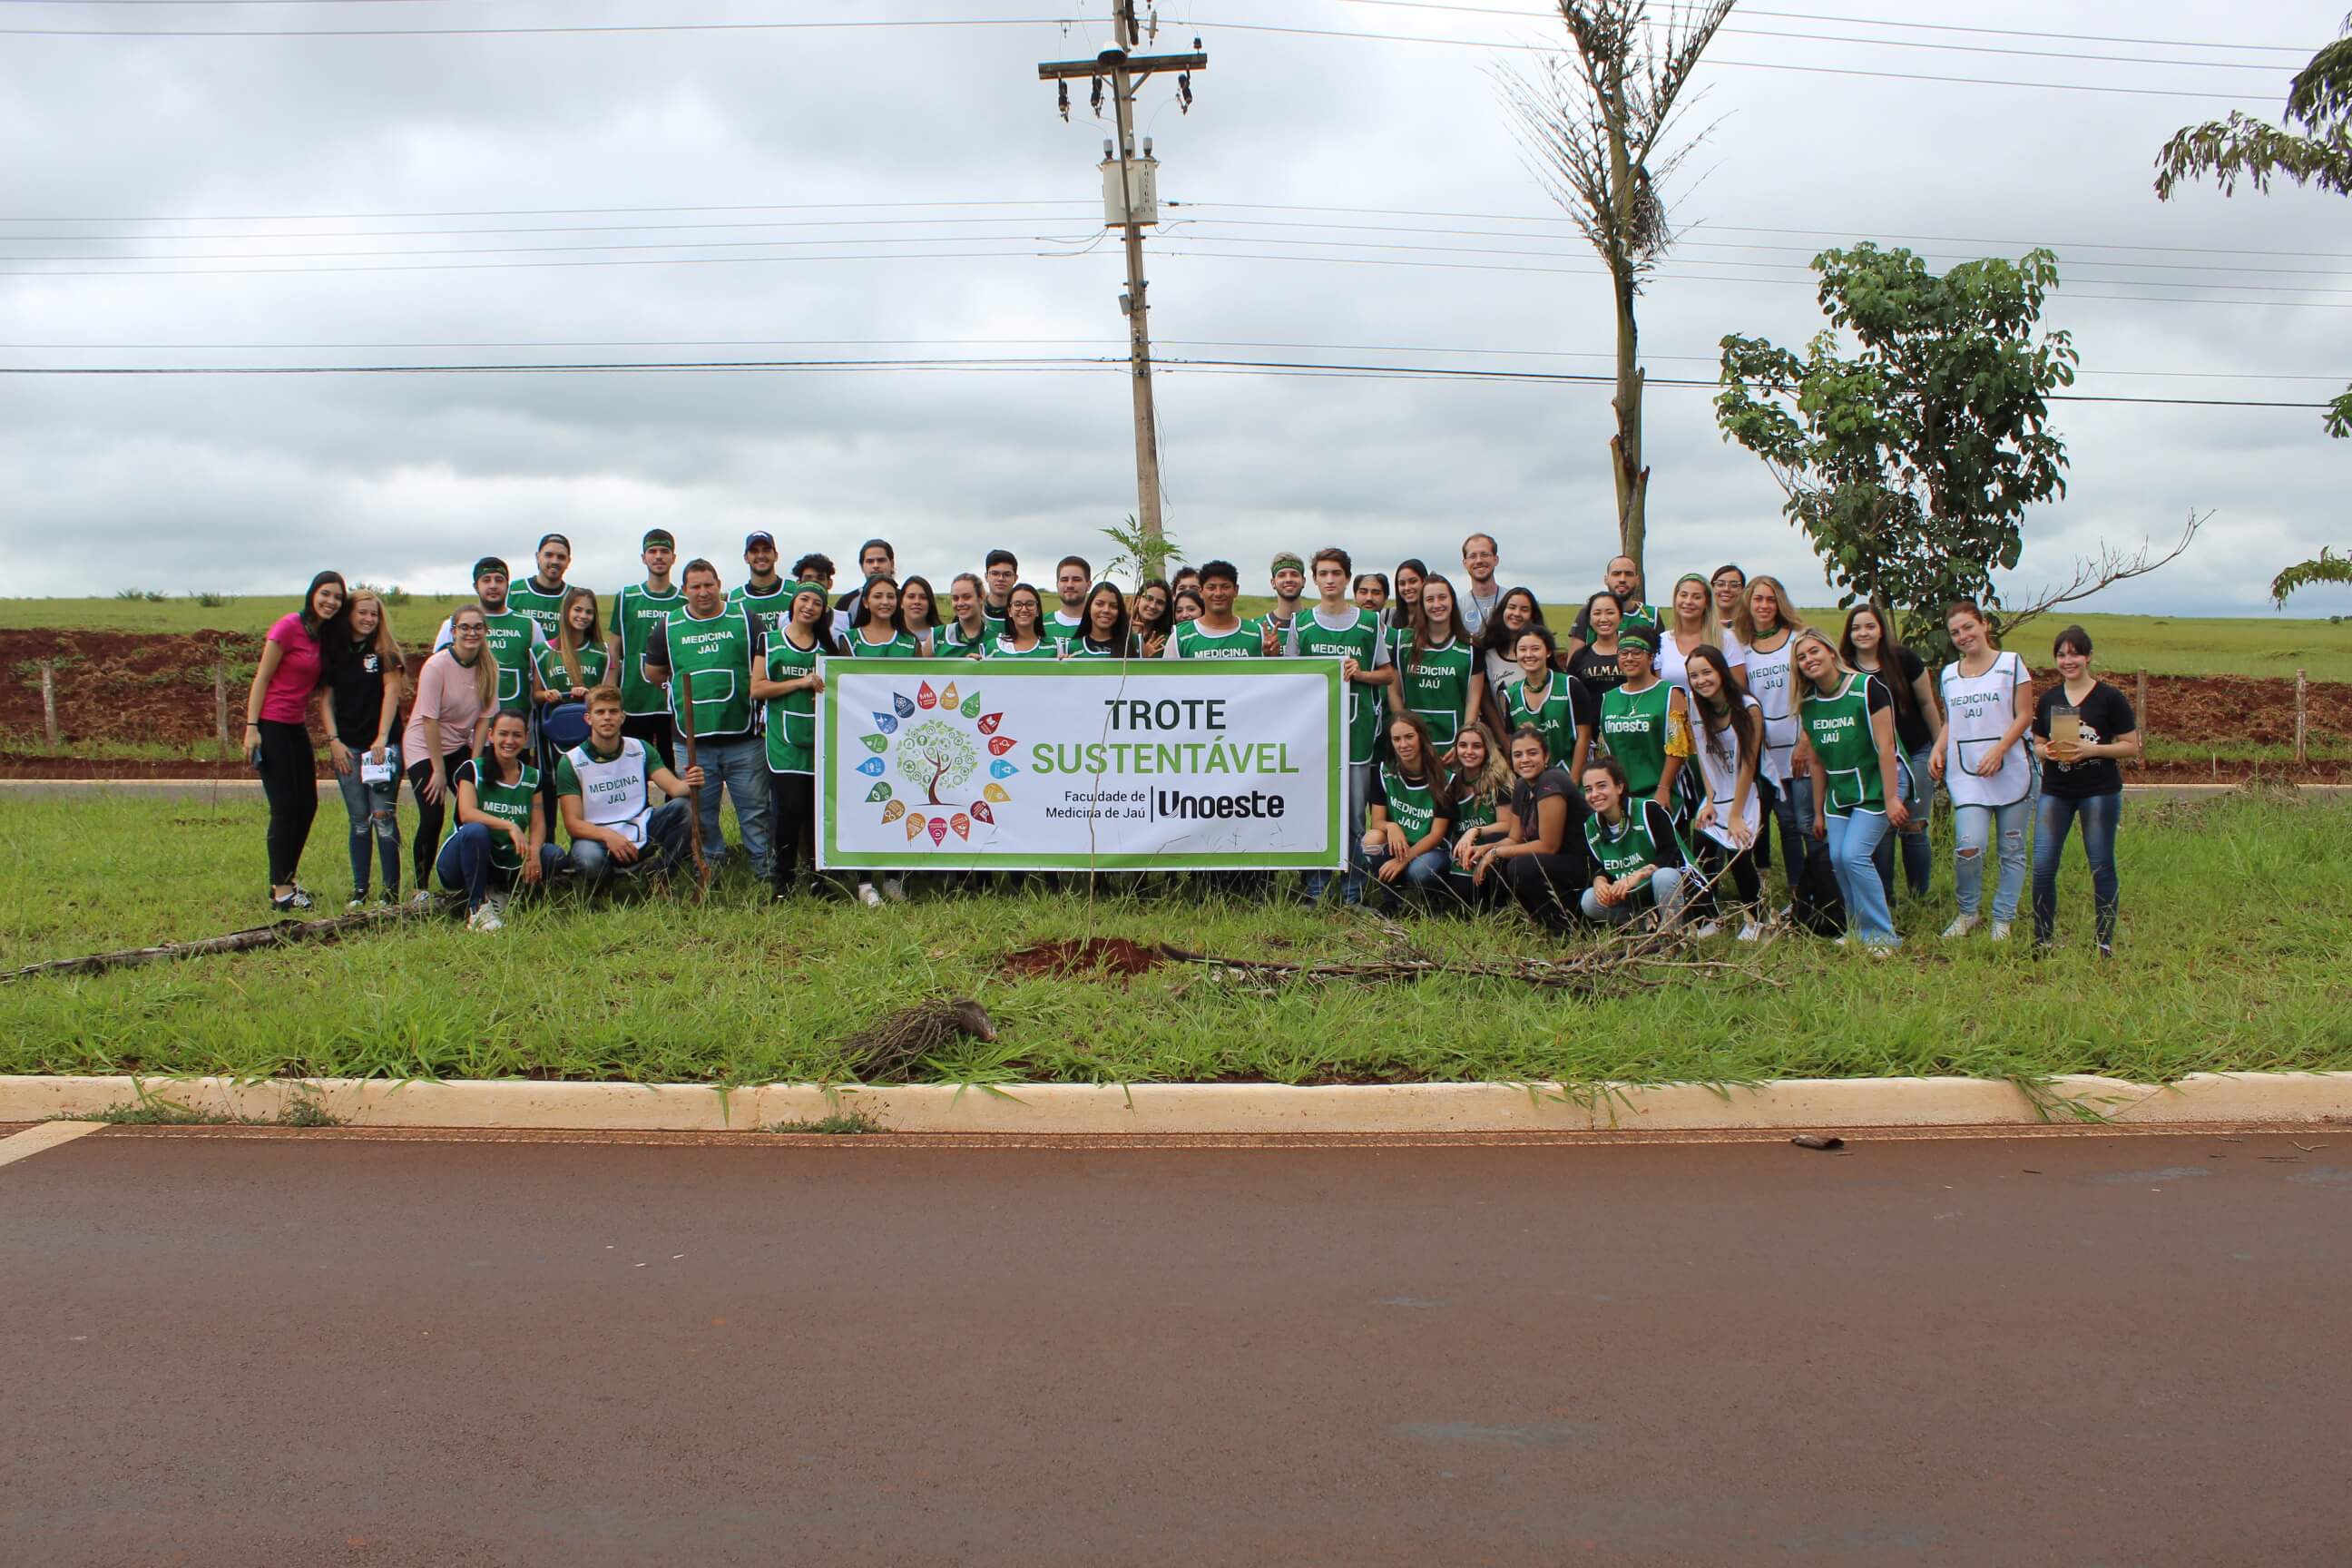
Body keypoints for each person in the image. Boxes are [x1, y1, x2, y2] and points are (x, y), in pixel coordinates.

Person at [642, 559, 769, 880]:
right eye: (695, 586)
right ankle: (711, 872)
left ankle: (765, 872)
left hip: (744, 738)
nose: (703, 592)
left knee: (755, 811)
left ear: (719, 584)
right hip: (692, 742)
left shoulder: (745, 618)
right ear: (684, 590)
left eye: (708, 585)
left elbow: (764, 662)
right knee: (702, 815)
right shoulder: (668, 625)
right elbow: (654, 671)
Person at [1285, 546, 1392, 906]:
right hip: (1315, 737)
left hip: (1358, 732)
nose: (1330, 580)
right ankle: (1315, 890)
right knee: (1317, 812)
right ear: (1314, 580)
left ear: (1347, 578)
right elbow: (1289, 679)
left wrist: (1360, 674)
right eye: (1323, 574)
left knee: (1355, 818)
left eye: (1336, 573)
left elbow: (1388, 674)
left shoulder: (1369, 623)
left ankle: (1352, 892)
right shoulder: (1301, 624)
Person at [1795, 627, 1912, 950]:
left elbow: (1886, 748)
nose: (1809, 660)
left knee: (1854, 855)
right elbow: (1816, 762)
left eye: (1814, 651)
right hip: (1840, 790)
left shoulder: (1867, 688)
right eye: (1801, 657)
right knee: (1837, 857)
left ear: (1831, 652)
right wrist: (1818, 812)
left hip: (1878, 784)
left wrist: (1892, 798)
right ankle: (1857, 929)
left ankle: (1883, 934)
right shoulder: (1809, 703)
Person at [1931, 598, 2034, 941]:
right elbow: (1952, 722)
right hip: (1968, 773)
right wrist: (1938, 748)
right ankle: (1968, 912)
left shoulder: (2011, 664)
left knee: (2012, 848)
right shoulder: (1949, 674)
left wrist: (2000, 749)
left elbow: (2024, 715)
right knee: (1968, 845)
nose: (1963, 636)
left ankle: (2002, 919)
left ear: (1984, 625)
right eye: (1955, 632)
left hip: (2011, 768)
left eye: (1968, 627)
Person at [244, 571, 348, 911]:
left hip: (295, 725)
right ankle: (281, 891)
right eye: (325, 594)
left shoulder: (324, 637)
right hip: (271, 724)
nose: (330, 601)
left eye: (337, 597)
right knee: (284, 807)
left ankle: (287, 879)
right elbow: (262, 679)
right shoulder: (289, 626)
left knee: (307, 805)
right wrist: (252, 727)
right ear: (312, 594)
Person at [2032, 624, 2137, 956]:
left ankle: (2103, 941)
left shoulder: (2109, 698)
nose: (2068, 661)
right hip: (2056, 790)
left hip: (2099, 791)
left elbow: (2131, 745)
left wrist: (2093, 750)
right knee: (2043, 865)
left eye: (2075, 654)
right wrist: (2046, 751)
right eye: (2061, 655)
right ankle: (2042, 940)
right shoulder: (2050, 699)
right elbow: (2036, 743)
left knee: (2101, 864)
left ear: (2088, 657)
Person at [557, 686, 704, 888]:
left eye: (613, 711)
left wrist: (692, 781)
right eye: (600, 712)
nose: (607, 717)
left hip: (640, 829)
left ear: (623, 717)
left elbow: (675, 789)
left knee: (684, 808)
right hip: (596, 838)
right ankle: (604, 889)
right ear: (588, 719)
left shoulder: (641, 749)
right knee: (589, 861)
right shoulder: (571, 761)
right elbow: (573, 824)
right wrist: (609, 836)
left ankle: (660, 876)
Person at [1841, 603, 1940, 904]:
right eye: (1856, 628)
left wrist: (1939, 747)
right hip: (1874, 761)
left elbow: (1927, 704)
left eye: (1870, 626)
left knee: (1914, 826)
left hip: (1916, 752)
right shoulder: (1845, 668)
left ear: (1881, 630)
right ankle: (1885, 898)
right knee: (1882, 829)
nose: (1863, 633)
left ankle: (1918, 896)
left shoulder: (1904, 660)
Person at [401, 603, 497, 902]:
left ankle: (468, 873)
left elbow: (484, 720)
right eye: (464, 627)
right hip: (424, 746)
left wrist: (475, 765)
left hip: (457, 745)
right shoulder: (437, 666)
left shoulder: (489, 667)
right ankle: (420, 887)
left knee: (473, 806)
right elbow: (429, 719)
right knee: (433, 814)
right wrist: (438, 771)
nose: (471, 633)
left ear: (485, 631)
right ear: (453, 632)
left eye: (477, 627)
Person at [438, 710, 567, 931]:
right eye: (503, 734)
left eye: (517, 735)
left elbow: (538, 823)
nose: (509, 741)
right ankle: (477, 909)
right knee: (476, 831)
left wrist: (534, 851)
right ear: (491, 735)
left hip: (506, 858)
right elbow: (467, 813)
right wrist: (510, 825)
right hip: (462, 857)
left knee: (553, 855)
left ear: (526, 738)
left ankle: (510, 894)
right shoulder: (473, 769)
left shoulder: (532, 777)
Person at [322, 586, 407, 909]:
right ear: (349, 615)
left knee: (383, 817)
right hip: (347, 747)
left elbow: (391, 693)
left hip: (381, 748)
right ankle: (360, 891)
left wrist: (382, 738)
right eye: (362, 613)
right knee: (358, 820)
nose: (369, 619)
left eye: (374, 614)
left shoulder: (385, 653)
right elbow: (325, 700)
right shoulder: (334, 651)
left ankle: (390, 892)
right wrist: (334, 741)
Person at [751, 584, 837, 900]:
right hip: (783, 741)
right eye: (804, 599)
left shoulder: (828, 647)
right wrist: (800, 683)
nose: (809, 606)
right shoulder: (770, 641)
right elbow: (757, 688)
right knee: (789, 810)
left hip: (819, 739)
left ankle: (818, 879)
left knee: (816, 814)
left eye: (817, 603)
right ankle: (783, 881)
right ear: (793, 603)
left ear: (823, 611)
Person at [1462, 727, 1586, 933]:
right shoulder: (1521, 786)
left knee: (1521, 866)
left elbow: (1549, 846)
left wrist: (1495, 852)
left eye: (1532, 753)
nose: (1525, 759)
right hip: (1553, 860)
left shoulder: (1551, 781)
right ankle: (1507, 914)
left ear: (1546, 756)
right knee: (1495, 845)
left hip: (1580, 863)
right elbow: (1514, 838)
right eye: (1518, 755)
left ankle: (1564, 925)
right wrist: (1485, 849)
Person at [1734, 574, 1810, 896]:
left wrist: (1806, 741)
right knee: (1772, 821)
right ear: (1748, 604)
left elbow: (1813, 692)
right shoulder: (1740, 647)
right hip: (1762, 749)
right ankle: (1778, 890)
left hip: (1799, 745)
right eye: (1758, 599)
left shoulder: (1798, 640)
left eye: (1770, 599)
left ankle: (1810, 890)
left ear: (1780, 603)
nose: (1764, 606)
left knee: (1802, 822)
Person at [1684, 645, 1765, 940]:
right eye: (1694, 676)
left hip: (1749, 789)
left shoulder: (1748, 707)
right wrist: (1710, 800)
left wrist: (1735, 815)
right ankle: (1708, 918)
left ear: (1721, 671)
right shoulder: (1695, 705)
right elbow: (1704, 758)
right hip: (1718, 791)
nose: (1701, 680)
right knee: (1701, 848)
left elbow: (1749, 764)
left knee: (1738, 852)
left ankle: (1758, 921)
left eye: (1707, 672)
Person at [1578, 755, 1696, 931]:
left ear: (1619, 787)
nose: (1594, 794)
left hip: (1670, 885)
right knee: (1589, 900)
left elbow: (1671, 855)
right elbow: (1600, 866)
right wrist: (1599, 882)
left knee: (1664, 876)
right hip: (1635, 897)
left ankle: (1672, 932)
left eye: (1602, 786)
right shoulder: (1591, 826)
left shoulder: (1648, 810)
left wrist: (1637, 875)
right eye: (1588, 789)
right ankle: (1647, 926)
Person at [434, 555, 550, 719]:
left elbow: (543, 676)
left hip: (515, 725)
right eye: (486, 580)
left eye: (499, 580)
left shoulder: (530, 626)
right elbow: (437, 673)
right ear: (476, 586)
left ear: (507, 585)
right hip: (465, 725)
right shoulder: (454, 624)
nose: (493, 585)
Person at [1361, 711, 1454, 903]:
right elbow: (1377, 822)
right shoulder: (1384, 772)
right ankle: (1392, 901)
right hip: (1399, 846)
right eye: (1397, 739)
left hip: (1432, 850)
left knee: (1419, 872)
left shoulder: (1444, 778)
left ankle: (1431, 901)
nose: (1403, 745)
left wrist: (1402, 861)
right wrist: (1392, 826)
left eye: (1409, 737)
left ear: (1421, 737)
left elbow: (1436, 835)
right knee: (1371, 839)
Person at [610, 528, 684, 771]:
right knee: (634, 768)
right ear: (644, 557)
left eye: (664, 551)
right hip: (634, 699)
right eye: (652, 551)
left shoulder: (683, 601)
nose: (658, 556)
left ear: (673, 557)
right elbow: (614, 650)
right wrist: (610, 694)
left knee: (672, 769)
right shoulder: (627, 598)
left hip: (671, 702)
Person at [1595, 633, 1690, 817]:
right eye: (1624, 653)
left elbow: (1678, 748)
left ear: (1651, 657)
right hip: (1623, 796)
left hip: (1662, 792)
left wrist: (1663, 789)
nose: (1629, 658)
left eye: (1637, 653)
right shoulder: (1609, 698)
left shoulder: (1671, 694)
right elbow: (1604, 751)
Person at [1393, 573, 1483, 748]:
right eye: (1429, 599)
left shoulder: (1471, 647)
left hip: (1454, 744)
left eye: (1442, 597)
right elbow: (1394, 693)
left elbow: (1473, 700)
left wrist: (1463, 744)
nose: (1436, 605)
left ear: (1452, 601)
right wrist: (1402, 734)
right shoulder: (1403, 642)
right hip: (1412, 745)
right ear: (1422, 604)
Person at [1501, 624, 1595, 779]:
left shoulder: (1570, 685)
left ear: (1549, 652)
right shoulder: (1511, 695)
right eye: (1523, 649)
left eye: (1535, 649)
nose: (1528, 654)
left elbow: (1584, 737)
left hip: (1572, 777)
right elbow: (1515, 743)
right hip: (1535, 781)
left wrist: (1572, 783)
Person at [1443, 718, 1513, 906]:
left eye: (1477, 746)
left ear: (1487, 749)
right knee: (1459, 895)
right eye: (1463, 745)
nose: (1469, 751)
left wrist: (1475, 831)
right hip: (1464, 855)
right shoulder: (1451, 781)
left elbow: (1507, 825)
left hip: (1492, 850)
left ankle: (1500, 904)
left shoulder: (1498, 780)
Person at [1657, 573, 1748, 699]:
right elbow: (1659, 691)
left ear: (1707, 603)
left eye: (1697, 597)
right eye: (1683, 595)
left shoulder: (1725, 638)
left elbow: (1739, 689)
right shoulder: (1662, 641)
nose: (1688, 601)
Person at [1167, 561, 1259, 660]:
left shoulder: (1256, 633)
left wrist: (1269, 655)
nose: (1218, 593)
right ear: (1201, 592)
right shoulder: (1180, 637)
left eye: (1225, 587)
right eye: (1211, 588)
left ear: (1236, 590)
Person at [535, 586, 610, 704]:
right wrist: (547, 694)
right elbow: (535, 694)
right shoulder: (543, 651)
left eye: (589, 612)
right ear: (567, 611)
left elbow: (610, 694)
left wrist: (589, 694)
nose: (583, 615)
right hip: (556, 714)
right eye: (578, 610)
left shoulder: (603, 651)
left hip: (591, 714)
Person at [1570, 555, 1659, 643]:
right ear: (1606, 579)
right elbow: (1575, 653)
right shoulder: (1588, 612)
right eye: (1616, 574)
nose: (1622, 579)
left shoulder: (1652, 615)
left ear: (1637, 580)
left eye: (1628, 574)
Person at [1476, 586, 1546, 697]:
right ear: (1503, 611)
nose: (1517, 613)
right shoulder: (1488, 653)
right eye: (1512, 607)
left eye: (1524, 609)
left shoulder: (1541, 653)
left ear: (1532, 615)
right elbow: (1484, 696)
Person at [505, 533, 573, 642]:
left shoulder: (574, 596)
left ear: (568, 561)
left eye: (561, 557)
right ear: (537, 557)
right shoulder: (513, 590)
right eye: (548, 555)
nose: (555, 561)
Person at [730, 531, 794, 635]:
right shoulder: (734, 599)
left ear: (776, 556)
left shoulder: (794, 591)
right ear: (746, 558)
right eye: (754, 551)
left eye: (766, 550)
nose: (760, 555)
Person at [1566, 591, 1626, 697]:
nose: (1603, 619)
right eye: (1597, 613)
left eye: (1610, 613)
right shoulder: (1579, 657)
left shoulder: (1633, 655)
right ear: (1589, 619)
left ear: (1621, 617)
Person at [845, 575, 920, 659]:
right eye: (878, 596)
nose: (885, 602)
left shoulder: (911, 642)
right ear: (865, 602)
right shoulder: (850, 639)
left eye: (891, 597)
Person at [985, 583, 1063, 660]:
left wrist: (1066, 663)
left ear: (1038, 610)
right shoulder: (994, 647)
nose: (1024, 609)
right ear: (1009, 611)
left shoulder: (1054, 645)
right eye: (1017, 604)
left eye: (1030, 604)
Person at [935, 573, 1000, 656]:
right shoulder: (937, 635)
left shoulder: (998, 640)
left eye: (967, 597)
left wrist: (983, 663)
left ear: (981, 598)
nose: (960, 603)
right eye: (955, 598)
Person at [1253, 552, 1308, 646]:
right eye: (1282, 575)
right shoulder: (1257, 627)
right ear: (1273, 582)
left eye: (1294, 574)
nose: (1288, 579)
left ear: (1303, 581)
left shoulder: (1315, 624)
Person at [1069, 582, 1134, 659]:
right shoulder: (1074, 646)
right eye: (1099, 604)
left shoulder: (1135, 642)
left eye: (1113, 606)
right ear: (1089, 608)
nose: (1106, 610)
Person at [1456, 533, 1504, 638]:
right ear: (1465, 563)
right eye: (1473, 556)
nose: (1479, 561)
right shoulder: (1458, 608)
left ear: (1496, 560)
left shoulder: (1512, 601)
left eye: (1484, 555)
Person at [1048, 555, 1091, 647]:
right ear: (1057, 584)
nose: (1070, 585)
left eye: (1076, 580)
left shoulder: (1100, 625)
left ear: (1088, 585)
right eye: (1064, 580)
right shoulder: (1040, 624)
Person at [898, 575, 944, 656]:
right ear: (901, 602)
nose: (917, 602)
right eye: (911, 597)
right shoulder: (891, 636)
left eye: (923, 597)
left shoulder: (943, 637)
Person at [1132, 578, 1176, 658]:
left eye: (1160, 602)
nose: (1153, 606)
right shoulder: (1121, 630)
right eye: (1149, 598)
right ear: (1138, 599)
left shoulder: (1165, 640)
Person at [983, 549, 1020, 619]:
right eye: (995, 574)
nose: (1001, 579)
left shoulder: (1025, 615)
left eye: (1007, 574)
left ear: (1015, 578)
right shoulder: (974, 612)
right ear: (986, 577)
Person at [1710, 563, 1746, 633]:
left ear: (1743, 590)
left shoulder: (1752, 626)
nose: (1726, 589)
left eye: (1734, 585)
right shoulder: (1699, 624)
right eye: (1720, 584)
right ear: (1712, 588)